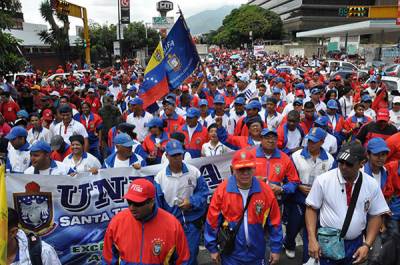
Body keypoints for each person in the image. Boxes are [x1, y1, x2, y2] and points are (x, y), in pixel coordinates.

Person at [305, 142, 390, 265]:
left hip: (355, 245)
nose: (344, 166)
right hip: (328, 242)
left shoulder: (371, 185)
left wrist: (367, 245)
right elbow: (311, 208)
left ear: (362, 163)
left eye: (349, 164)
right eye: (341, 162)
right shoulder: (323, 180)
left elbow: (376, 215)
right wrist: (312, 239)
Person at [204, 149, 283, 265]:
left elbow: (275, 222)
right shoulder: (222, 191)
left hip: (257, 253)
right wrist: (212, 248)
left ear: (254, 168)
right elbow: (212, 221)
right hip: (231, 254)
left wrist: (276, 248)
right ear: (232, 170)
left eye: (249, 168)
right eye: (241, 169)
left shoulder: (266, 191)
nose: (245, 173)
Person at [102, 178, 190, 264]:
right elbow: (108, 259)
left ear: (151, 202)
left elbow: (183, 260)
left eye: (137, 203)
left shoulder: (172, 225)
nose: (132, 208)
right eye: (129, 202)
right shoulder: (117, 222)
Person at [155, 140, 210, 265]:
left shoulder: (194, 172)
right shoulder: (160, 177)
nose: (176, 158)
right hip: (170, 225)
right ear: (167, 155)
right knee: (171, 256)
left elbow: (203, 193)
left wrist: (191, 202)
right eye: (173, 155)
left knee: (189, 256)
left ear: (183, 154)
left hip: (191, 223)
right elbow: (157, 205)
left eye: (179, 154)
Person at [286, 127, 335, 262]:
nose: (310, 144)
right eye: (309, 141)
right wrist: (299, 186)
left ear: (322, 142)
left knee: (311, 231)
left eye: (314, 142)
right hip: (299, 197)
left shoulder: (329, 160)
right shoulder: (296, 156)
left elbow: (332, 181)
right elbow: (289, 176)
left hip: (318, 200)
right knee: (293, 226)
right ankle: (289, 244)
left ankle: (308, 260)